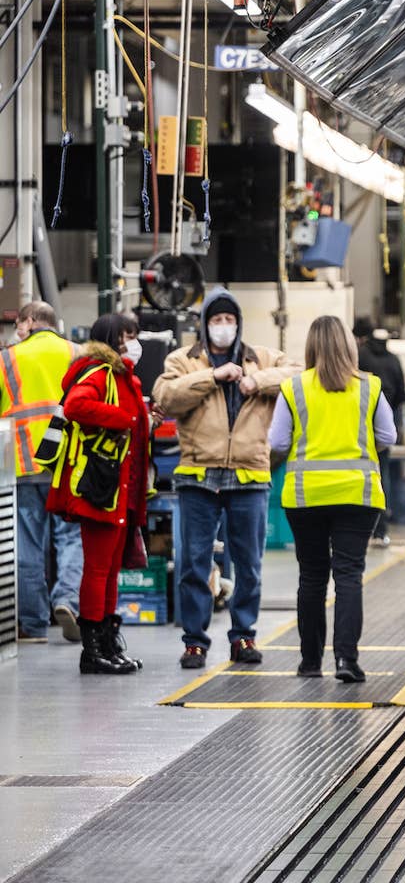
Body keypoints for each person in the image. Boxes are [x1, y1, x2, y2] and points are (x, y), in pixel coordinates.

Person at [152, 289, 299, 670]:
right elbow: (166, 396)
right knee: (194, 563)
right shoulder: (183, 360)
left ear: (238, 324)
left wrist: (257, 380)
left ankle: (244, 636)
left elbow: (298, 375)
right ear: (205, 325)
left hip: (249, 476)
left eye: (229, 320)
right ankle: (194, 642)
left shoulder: (261, 358)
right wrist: (211, 377)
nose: (223, 327)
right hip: (198, 478)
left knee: (249, 563)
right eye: (216, 321)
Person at [270, 316, 396, 682]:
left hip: (306, 497)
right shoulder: (369, 388)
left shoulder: (293, 388)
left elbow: (277, 442)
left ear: (310, 347)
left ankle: (310, 663)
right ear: (348, 346)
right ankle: (346, 660)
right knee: (348, 576)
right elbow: (387, 435)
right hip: (358, 495)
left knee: (311, 577)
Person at [46, 314, 151, 674]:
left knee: (109, 571)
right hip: (100, 487)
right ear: (110, 338)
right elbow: (77, 405)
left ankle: (106, 641)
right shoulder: (99, 373)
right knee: (98, 569)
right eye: (127, 336)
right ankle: (92, 650)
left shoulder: (125, 377)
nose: (133, 342)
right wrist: (125, 418)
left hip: (123, 489)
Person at [2, 301, 84, 643]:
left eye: (20, 323)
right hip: (68, 463)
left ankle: (33, 625)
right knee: (71, 539)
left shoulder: (7, 358)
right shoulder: (79, 353)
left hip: (23, 462)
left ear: (31, 321)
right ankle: (68, 601)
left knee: (27, 543)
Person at [355, 318, 405, 547]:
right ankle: (381, 529)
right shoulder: (394, 360)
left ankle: (361, 529)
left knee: (358, 475)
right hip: (384, 425)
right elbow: (402, 393)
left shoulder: (360, 356)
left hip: (358, 425)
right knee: (381, 476)